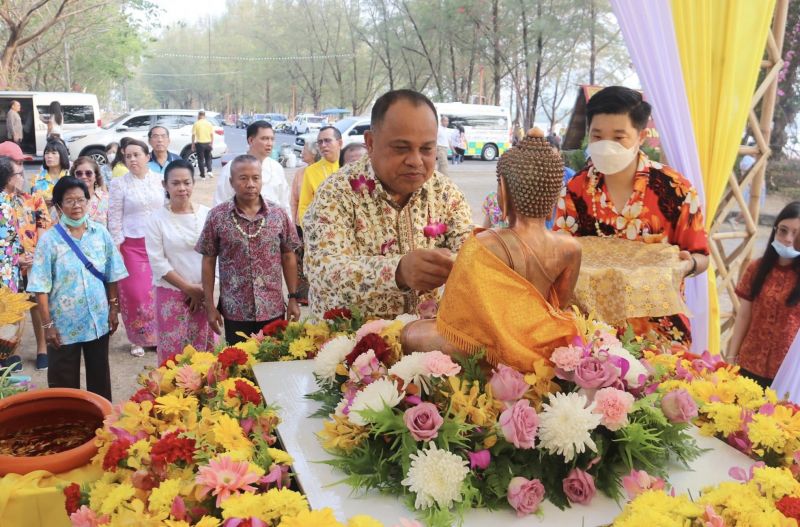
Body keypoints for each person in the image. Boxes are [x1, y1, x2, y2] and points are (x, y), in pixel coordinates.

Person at [402, 128, 581, 373]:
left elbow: (459, 316)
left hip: (492, 346)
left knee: (412, 334)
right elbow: (558, 308)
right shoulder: (571, 248)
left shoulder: (485, 244)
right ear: (553, 197)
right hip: (540, 341)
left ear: (503, 192)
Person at [554, 86, 709, 345]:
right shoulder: (576, 189)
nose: (606, 146)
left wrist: (687, 265)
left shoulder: (675, 189)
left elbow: (701, 256)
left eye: (618, 137)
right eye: (597, 136)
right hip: (593, 332)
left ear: (641, 136)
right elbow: (560, 251)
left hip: (659, 332)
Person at [304, 89, 473, 318]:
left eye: (426, 149)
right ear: (371, 143)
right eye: (401, 148)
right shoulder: (336, 193)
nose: (415, 161)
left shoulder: (445, 192)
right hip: (348, 346)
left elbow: (470, 255)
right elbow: (323, 272)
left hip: (426, 346)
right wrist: (398, 271)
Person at [27, 176, 127, 401]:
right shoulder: (49, 241)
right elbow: (40, 287)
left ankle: (102, 425)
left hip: (97, 320)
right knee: (64, 385)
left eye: (81, 199)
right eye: (69, 201)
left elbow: (112, 273)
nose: (77, 206)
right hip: (63, 326)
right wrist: (48, 326)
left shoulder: (100, 233)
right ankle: (66, 428)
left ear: (88, 201)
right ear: (59, 206)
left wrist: (113, 309)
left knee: (100, 379)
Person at [196, 154, 301, 345]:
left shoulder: (278, 215)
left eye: (255, 178)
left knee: (273, 362)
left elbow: (288, 256)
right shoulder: (217, 217)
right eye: (243, 178)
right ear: (232, 182)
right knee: (239, 366)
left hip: (272, 308)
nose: (250, 184)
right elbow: (208, 261)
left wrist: (293, 297)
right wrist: (210, 306)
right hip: (235, 311)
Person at [145, 159, 214, 363]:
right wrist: (188, 288)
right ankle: (171, 395)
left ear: (193, 183)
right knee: (173, 354)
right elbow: (158, 262)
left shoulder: (207, 215)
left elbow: (216, 256)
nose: (182, 188)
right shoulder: (156, 219)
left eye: (187, 182)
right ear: (165, 185)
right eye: (175, 183)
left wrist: (202, 290)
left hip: (205, 294)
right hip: (171, 295)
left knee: (203, 352)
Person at [728, 202, 800, 388]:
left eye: (796, 234)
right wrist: (730, 357)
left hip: (787, 373)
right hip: (749, 364)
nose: (788, 239)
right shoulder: (756, 269)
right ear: (775, 231)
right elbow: (743, 316)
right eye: (783, 231)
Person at [108, 139, 163, 357]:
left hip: (159, 243)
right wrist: (117, 246)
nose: (132, 159)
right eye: (127, 156)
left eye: (136, 155)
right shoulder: (119, 184)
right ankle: (137, 337)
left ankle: (158, 336)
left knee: (157, 292)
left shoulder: (160, 180)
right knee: (136, 293)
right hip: (131, 245)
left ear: (147, 156)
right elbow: (114, 217)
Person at [0, 150, 51, 372]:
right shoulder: (5, 201)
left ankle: (42, 348)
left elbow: (44, 225)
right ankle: (10, 354)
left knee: (36, 303)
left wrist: (35, 256)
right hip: (8, 268)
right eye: (19, 169)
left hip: (31, 261)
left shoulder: (33, 197)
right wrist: (15, 257)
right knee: (10, 308)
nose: (23, 174)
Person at [213, 120, 290, 215]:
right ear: (251, 140)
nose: (269, 143)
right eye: (265, 139)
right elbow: (220, 203)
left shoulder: (277, 168)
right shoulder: (233, 167)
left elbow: (284, 203)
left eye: (272, 139)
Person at [290, 140, 321, 305]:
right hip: (300, 224)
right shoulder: (300, 173)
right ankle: (303, 296)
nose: (302, 153)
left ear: (314, 153)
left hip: (319, 225)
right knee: (300, 260)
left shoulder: (323, 171)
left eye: (304, 150)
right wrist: (294, 222)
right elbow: (294, 199)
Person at [296, 125, 342, 227]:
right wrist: (309, 231)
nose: (323, 145)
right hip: (322, 232)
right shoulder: (311, 171)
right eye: (320, 142)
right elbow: (304, 205)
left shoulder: (348, 165)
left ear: (340, 143)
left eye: (327, 140)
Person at [70, 157, 108, 225]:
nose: (84, 176)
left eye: (88, 173)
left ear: (95, 176)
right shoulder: (67, 199)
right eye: (79, 173)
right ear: (73, 176)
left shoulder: (107, 199)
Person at [31, 140, 69, 205]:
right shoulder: (36, 178)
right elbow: (32, 203)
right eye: (47, 153)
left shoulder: (70, 176)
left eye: (54, 153)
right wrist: (42, 203)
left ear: (62, 155)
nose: (49, 156)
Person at [191, 110, 214, 179]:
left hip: (200, 144)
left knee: (200, 159)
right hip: (208, 143)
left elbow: (193, 135)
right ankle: (209, 171)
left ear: (199, 115)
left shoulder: (196, 124)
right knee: (208, 158)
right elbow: (212, 135)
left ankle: (202, 175)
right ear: (204, 116)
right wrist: (211, 143)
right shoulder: (209, 123)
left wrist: (193, 144)